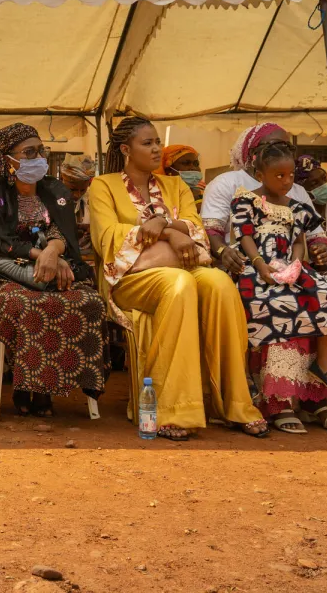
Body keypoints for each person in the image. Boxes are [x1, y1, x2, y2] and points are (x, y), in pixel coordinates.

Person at [91, 116, 267, 440]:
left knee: (220, 285)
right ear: (126, 149)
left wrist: (161, 225)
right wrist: (172, 234)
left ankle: (235, 404)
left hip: (181, 267)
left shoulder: (176, 185)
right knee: (179, 284)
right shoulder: (103, 186)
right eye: (148, 143)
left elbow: (197, 227)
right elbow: (108, 236)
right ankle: (172, 408)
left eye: (157, 141)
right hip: (132, 279)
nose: (157, 148)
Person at [0, 124, 108, 417]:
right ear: (8, 159)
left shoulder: (56, 189)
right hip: (2, 271)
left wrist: (54, 251)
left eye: (41, 151)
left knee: (89, 302)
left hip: (54, 265)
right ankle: (25, 385)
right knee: (26, 303)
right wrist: (43, 255)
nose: (38, 157)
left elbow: (62, 232)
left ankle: (51, 385)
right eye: (29, 152)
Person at [233, 143, 327, 433]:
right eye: (279, 176)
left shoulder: (297, 206)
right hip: (256, 270)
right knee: (278, 303)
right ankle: (278, 399)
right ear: (260, 174)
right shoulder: (246, 201)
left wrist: (295, 264)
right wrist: (260, 265)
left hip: (289, 268)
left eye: (291, 175)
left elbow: (298, 240)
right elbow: (244, 237)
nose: (287, 181)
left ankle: (321, 367)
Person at [201, 123, 327, 278]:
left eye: (288, 147)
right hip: (242, 268)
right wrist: (223, 251)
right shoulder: (226, 183)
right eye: (276, 145)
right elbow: (211, 231)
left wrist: (319, 248)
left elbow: (312, 237)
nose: (284, 151)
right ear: (253, 153)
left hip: (290, 269)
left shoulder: (297, 191)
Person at [59, 154, 97, 267]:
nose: (77, 194)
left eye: (82, 190)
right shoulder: (53, 199)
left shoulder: (93, 198)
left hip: (90, 260)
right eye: (72, 189)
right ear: (62, 179)